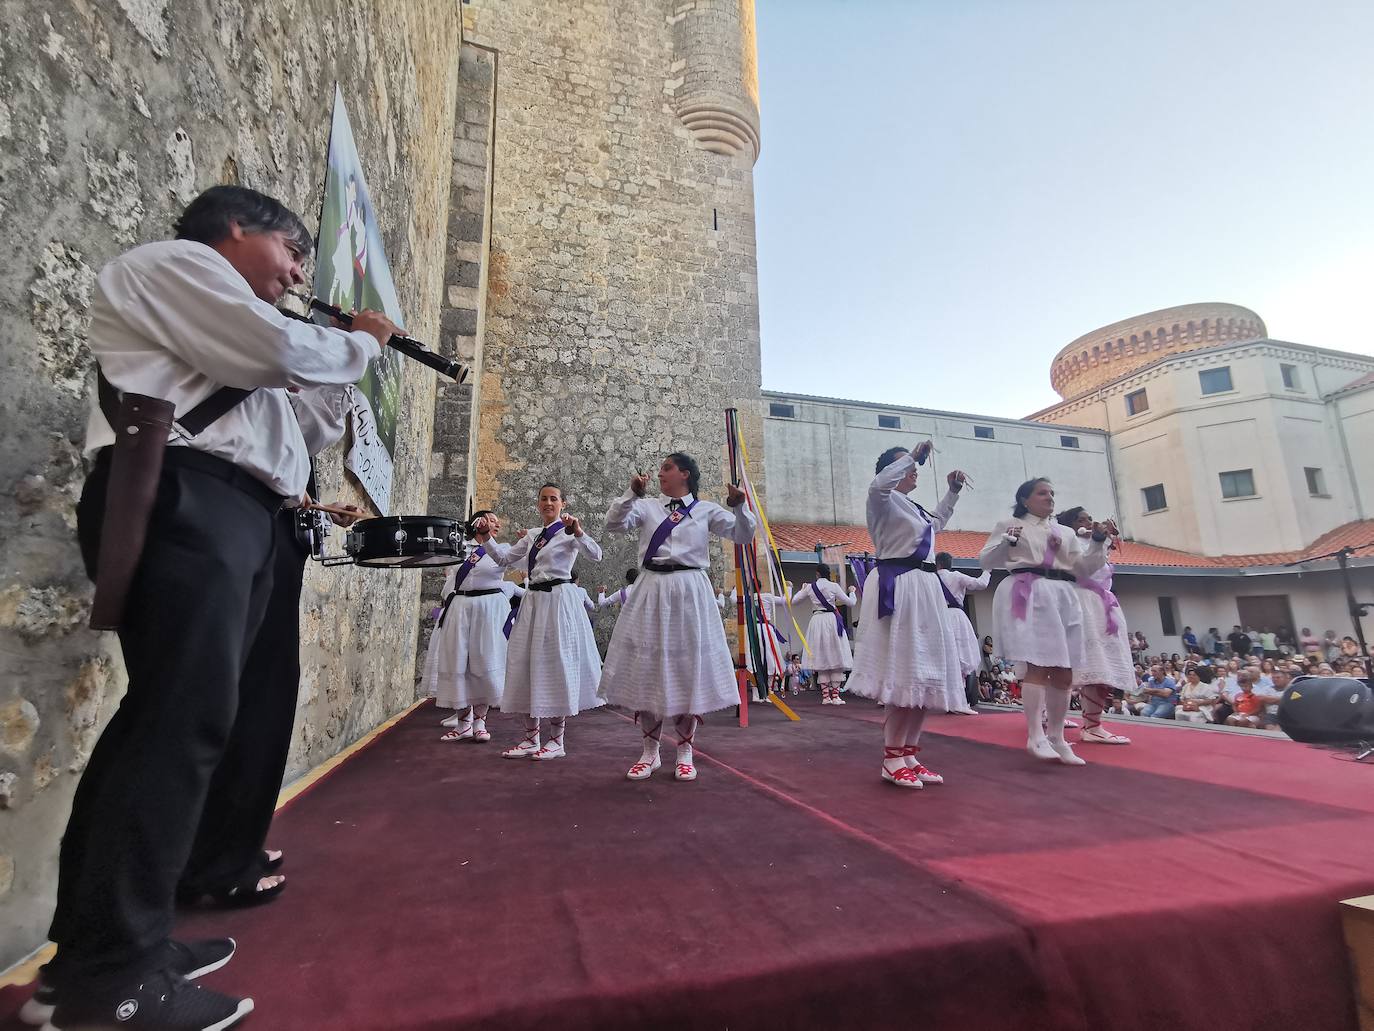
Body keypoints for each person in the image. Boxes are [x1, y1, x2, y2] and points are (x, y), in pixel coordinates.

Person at [41, 186, 392, 1031]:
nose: (299, 272)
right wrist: (354, 345)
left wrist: (342, 373)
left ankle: (112, 946)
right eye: (292, 252)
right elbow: (274, 349)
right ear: (236, 230)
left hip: (236, 512)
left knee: (183, 723)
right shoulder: (180, 268)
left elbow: (291, 435)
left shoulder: (232, 328)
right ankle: (108, 979)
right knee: (176, 726)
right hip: (188, 497)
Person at [599, 452, 755, 781]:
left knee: (686, 670)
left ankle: (685, 750)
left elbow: (743, 535)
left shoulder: (706, 510)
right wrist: (631, 494)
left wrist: (740, 506)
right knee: (649, 669)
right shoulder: (647, 506)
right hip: (651, 588)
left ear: (684, 474)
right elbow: (613, 524)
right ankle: (650, 752)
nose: (659, 474)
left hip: (690, 590)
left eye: (666, 468)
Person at [847, 441, 969, 788]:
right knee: (905, 672)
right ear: (891, 470)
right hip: (902, 584)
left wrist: (952, 492)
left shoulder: (912, 507)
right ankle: (891, 757)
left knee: (925, 673)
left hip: (925, 587)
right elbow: (878, 484)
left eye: (914, 465)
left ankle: (909, 753)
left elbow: (937, 523)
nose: (914, 469)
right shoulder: (882, 500)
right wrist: (911, 457)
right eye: (906, 466)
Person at [981, 478, 1112, 765]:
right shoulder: (1010, 524)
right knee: (1038, 665)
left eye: (1052, 493)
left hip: (1063, 595)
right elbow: (987, 560)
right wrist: (1007, 542)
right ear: (1025, 499)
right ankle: (1034, 735)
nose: (1049, 497)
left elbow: (1084, 568)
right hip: (1033, 592)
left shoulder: (1064, 531)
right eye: (1042, 493)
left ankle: (1057, 737)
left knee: (1065, 671)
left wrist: (1099, 543)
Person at [477, 483, 604, 761]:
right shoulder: (534, 535)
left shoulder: (569, 532)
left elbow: (596, 554)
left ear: (563, 504)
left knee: (555, 664)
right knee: (525, 663)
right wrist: (486, 537)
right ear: (538, 504)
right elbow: (503, 559)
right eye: (544, 499)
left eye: (554, 499)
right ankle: (530, 739)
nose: (548, 503)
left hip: (558, 600)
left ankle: (556, 741)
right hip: (533, 602)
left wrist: (579, 533)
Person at [426, 511, 517, 744]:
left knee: (483, 660)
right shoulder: (459, 547)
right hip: (461, 606)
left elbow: (505, 562)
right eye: (490, 519)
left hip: (488, 609)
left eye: (497, 520)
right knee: (459, 661)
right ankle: (463, 723)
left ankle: (480, 723)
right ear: (477, 523)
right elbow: (448, 573)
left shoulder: (502, 548)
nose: (496, 522)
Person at [1055, 508, 1132, 745]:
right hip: (1083, 606)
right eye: (1082, 519)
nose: (1089, 522)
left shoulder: (1091, 542)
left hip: (1102, 606)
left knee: (1102, 669)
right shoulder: (1070, 542)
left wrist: (1106, 539)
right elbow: (1083, 568)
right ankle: (1071, 722)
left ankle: (1092, 724)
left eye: (1090, 517)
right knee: (1078, 667)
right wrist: (1099, 540)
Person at [931, 552, 991, 714]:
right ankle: (960, 701)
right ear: (950, 564)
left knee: (944, 661)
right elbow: (981, 584)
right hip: (956, 618)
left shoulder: (930, 578)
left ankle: (947, 700)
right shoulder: (956, 576)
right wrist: (987, 571)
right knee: (961, 660)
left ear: (938, 564)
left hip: (938, 618)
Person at [790, 563, 857, 705]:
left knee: (821, 657)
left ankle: (826, 697)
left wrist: (802, 589)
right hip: (832, 621)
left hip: (817, 621)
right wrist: (852, 591)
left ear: (817, 574)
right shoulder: (834, 586)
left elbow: (794, 601)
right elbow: (851, 603)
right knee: (836, 655)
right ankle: (836, 696)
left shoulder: (809, 587)